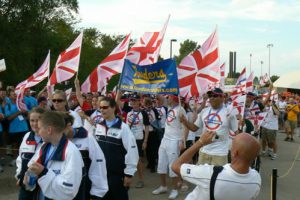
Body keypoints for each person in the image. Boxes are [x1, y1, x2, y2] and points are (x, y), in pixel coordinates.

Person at [172, 131, 261, 200]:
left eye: (232, 146)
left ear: (235, 153)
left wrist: (200, 142)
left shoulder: (211, 174)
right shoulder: (256, 179)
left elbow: (175, 166)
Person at [26, 111, 83, 199]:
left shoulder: (71, 152)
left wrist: (43, 173)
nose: (38, 132)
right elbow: (32, 168)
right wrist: (30, 177)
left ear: (49, 130)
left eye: (40, 128)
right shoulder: (44, 146)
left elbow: (68, 190)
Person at [95, 96, 139, 200]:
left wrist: (129, 174)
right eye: (100, 107)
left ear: (113, 108)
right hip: (101, 175)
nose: (102, 110)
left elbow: (132, 151)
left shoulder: (123, 128)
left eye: (105, 107)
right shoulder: (98, 126)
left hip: (117, 176)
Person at [180, 88, 238, 165]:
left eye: (215, 95)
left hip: (220, 154)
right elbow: (194, 128)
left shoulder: (229, 113)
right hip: (204, 152)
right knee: (202, 176)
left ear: (222, 98)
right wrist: (184, 121)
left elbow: (237, 133)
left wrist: (236, 151)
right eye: (210, 96)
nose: (211, 98)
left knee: (217, 177)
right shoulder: (204, 111)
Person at [63, 113, 108, 199]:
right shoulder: (55, 140)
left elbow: (98, 165)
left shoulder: (87, 138)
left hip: (83, 189)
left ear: (69, 126)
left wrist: (97, 193)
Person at [152, 94, 188, 199]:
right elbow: (161, 98)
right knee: (161, 164)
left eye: (169, 97)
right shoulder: (169, 107)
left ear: (173, 98)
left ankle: (175, 189)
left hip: (175, 141)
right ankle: (163, 186)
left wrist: (183, 141)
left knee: (173, 167)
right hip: (165, 139)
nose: (167, 99)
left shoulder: (181, 110)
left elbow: (186, 127)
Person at [16, 107, 46, 199]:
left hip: (44, 185)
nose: (35, 124)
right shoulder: (27, 136)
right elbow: (20, 158)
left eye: (38, 120)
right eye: (32, 120)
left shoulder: (49, 138)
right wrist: (19, 175)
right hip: (26, 184)